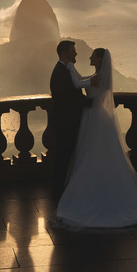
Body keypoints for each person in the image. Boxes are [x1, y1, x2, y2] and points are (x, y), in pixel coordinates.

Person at [55, 47, 137, 228]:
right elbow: (83, 80)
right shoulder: (98, 76)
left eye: (93, 56)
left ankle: (98, 187)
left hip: (95, 119)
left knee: (93, 153)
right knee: (93, 153)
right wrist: (72, 69)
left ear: (98, 60)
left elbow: (78, 84)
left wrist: (70, 67)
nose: (89, 57)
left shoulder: (99, 77)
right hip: (94, 118)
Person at [49, 39, 90, 200]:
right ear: (64, 53)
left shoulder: (64, 69)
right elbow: (70, 99)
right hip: (65, 124)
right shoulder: (60, 72)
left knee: (65, 159)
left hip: (67, 122)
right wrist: (93, 102)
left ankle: (60, 191)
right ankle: (58, 193)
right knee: (62, 159)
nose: (76, 54)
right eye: (73, 51)